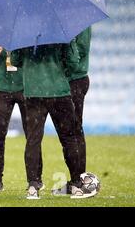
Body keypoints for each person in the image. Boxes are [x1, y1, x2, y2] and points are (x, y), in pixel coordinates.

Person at [11, 41, 96, 199]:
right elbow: (73, 62)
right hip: (59, 91)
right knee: (69, 138)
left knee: (33, 140)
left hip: (33, 91)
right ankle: (77, 184)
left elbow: (15, 61)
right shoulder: (60, 32)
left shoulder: (24, 32)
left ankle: (33, 186)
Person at [0, 43, 43, 191]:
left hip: (25, 88)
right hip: (2, 91)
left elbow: (34, 57)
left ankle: (36, 179)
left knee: (32, 135)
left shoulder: (25, 34)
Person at [53, 27, 91, 195]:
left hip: (74, 80)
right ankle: (77, 179)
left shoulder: (78, 22)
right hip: (69, 80)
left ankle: (78, 180)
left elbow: (80, 51)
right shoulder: (74, 18)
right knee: (70, 133)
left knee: (72, 132)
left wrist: (62, 67)